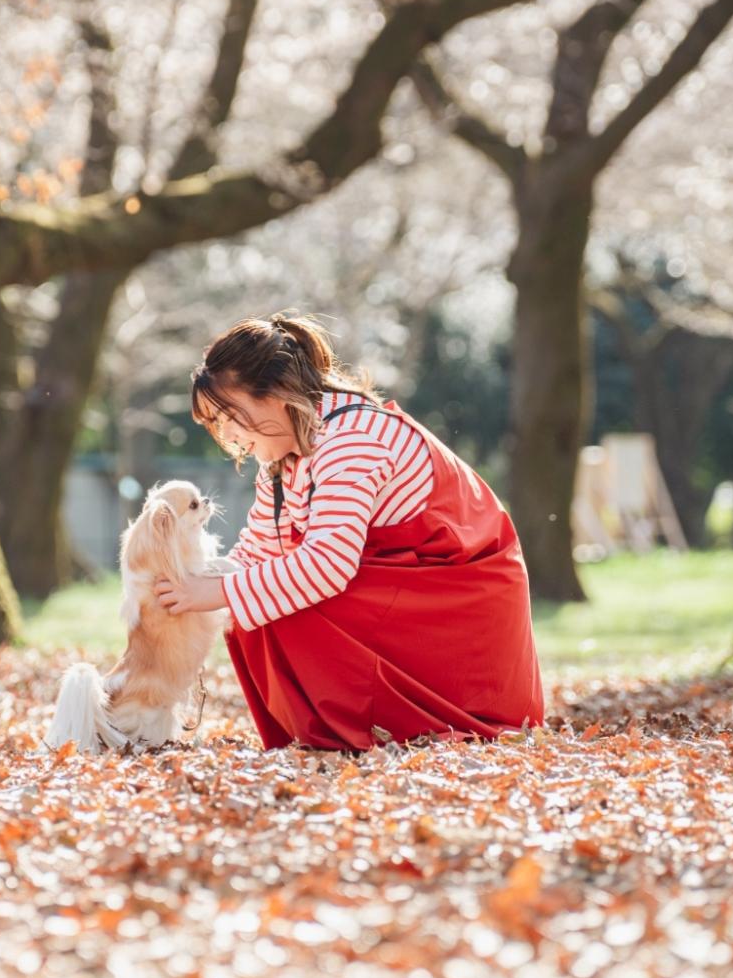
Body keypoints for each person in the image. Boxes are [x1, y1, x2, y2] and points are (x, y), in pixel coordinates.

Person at [154, 312, 544, 751]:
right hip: (414, 596)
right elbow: (256, 553)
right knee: (250, 602)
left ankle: (377, 726)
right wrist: (188, 584)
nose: (225, 435)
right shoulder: (287, 456)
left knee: (270, 601)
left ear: (277, 395)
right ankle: (340, 730)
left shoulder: (351, 439)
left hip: (462, 609)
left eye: (230, 416)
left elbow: (327, 567)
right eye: (215, 423)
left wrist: (215, 592)